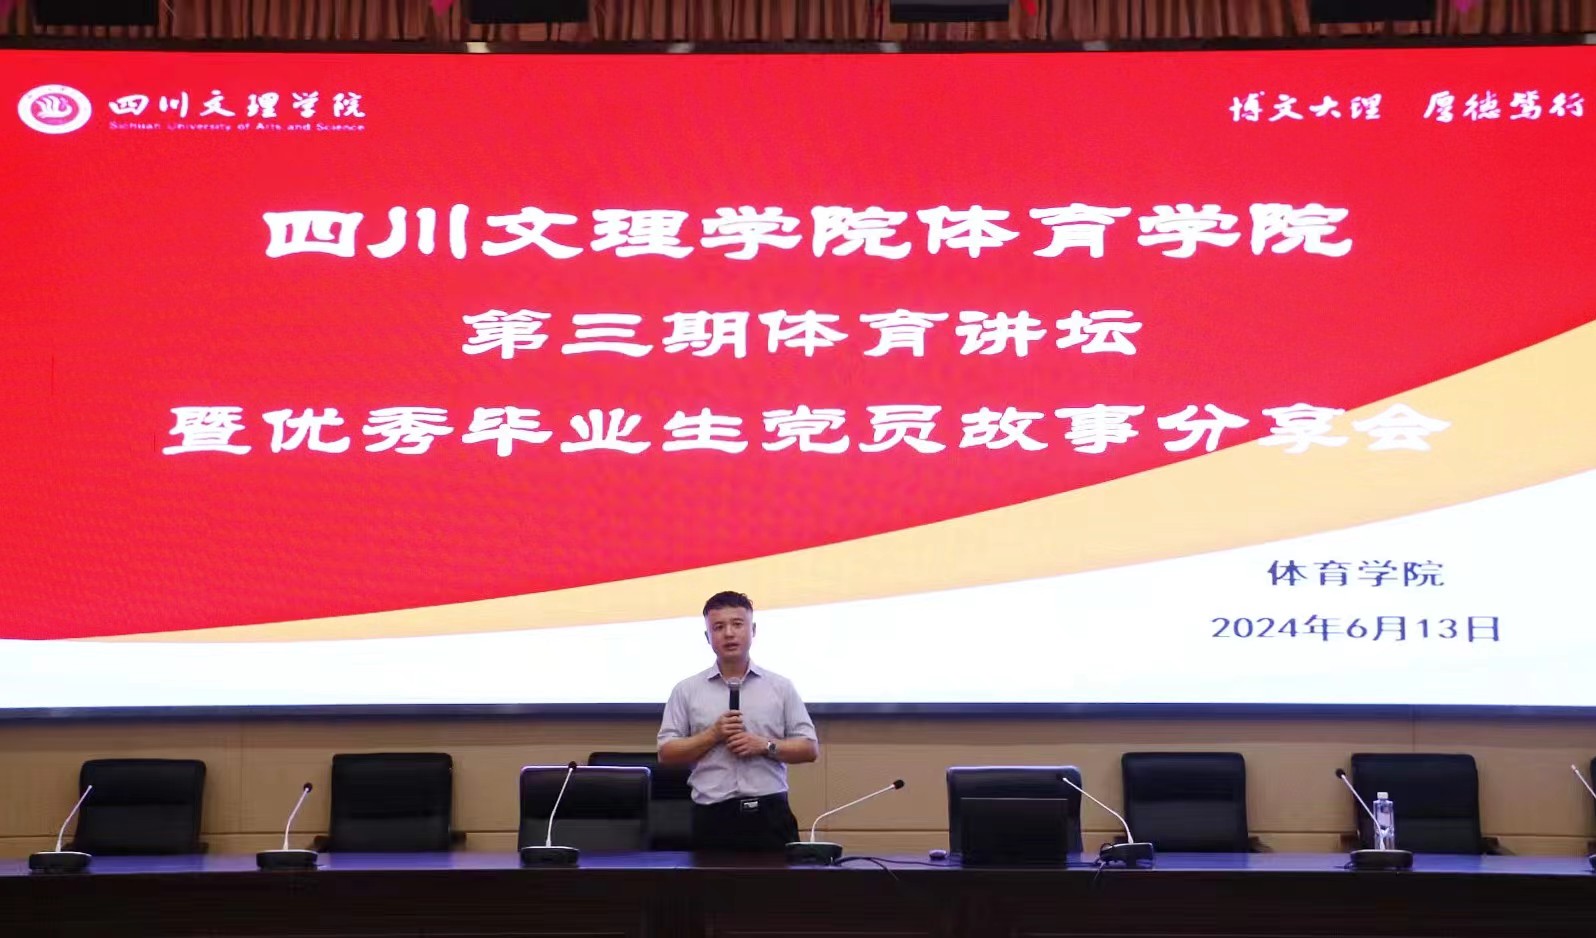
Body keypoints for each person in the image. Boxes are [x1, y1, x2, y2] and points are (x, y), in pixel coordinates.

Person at [657, 590, 818, 851]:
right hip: (712, 816)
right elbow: (666, 753)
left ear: (752, 630)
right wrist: (712, 735)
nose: (729, 633)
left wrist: (765, 745)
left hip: (770, 813)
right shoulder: (686, 690)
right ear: (708, 637)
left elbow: (809, 749)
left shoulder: (780, 687)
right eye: (718, 627)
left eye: (737, 624)